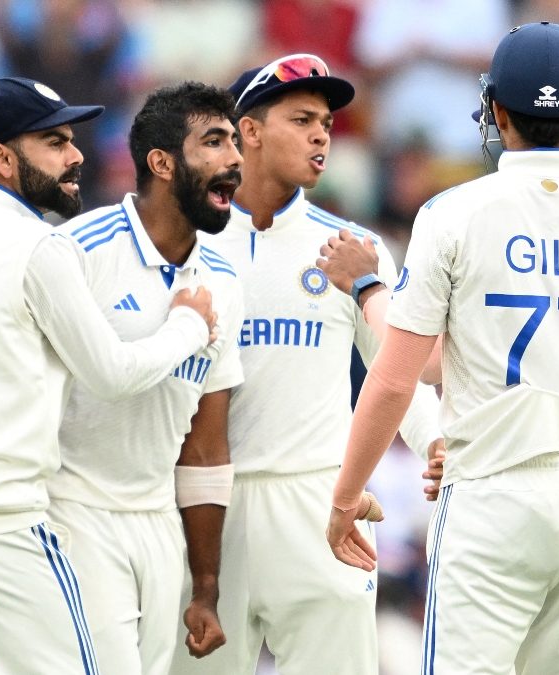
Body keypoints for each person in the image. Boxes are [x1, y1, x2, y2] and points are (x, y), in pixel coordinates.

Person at [327, 22, 559, 675]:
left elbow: (393, 379)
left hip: (490, 496)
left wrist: (345, 494)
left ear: (495, 111)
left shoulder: (453, 214)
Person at [0, 77, 216, 675]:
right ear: (0, 156)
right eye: (53, 141)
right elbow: (113, 374)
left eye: (71, 140)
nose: (75, 156)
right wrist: (186, 327)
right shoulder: (39, 247)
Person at [172, 54, 443, 675]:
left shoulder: (355, 249)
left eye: (326, 121)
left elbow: (397, 369)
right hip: (211, 508)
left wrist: (435, 445)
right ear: (249, 132)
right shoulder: (185, 244)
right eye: (302, 119)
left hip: (322, 505)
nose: (323, 134)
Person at [46, 82, 245, 675]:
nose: (235, 157)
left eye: (235, 141)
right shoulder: (75, 252)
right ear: (161, 162)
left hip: (158, 525)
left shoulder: (225, 279)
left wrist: (204, 587)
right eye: (214, 142)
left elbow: (206, 446)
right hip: (72, 512)